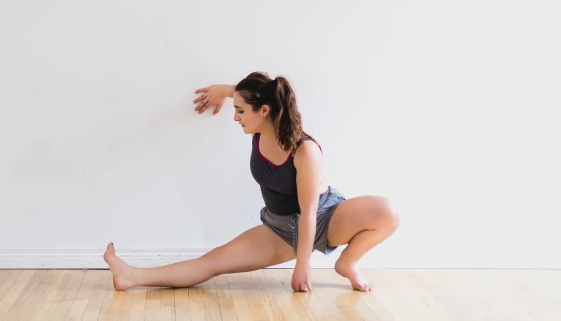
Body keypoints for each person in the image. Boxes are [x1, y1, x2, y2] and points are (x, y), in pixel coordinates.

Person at [103, 72, 400, 293]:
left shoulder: (304, 150)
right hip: (280, 227)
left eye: (240, 111)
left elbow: (309, 213)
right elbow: (239, 91)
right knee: (213, 262)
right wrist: (220, 93)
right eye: (236, 109)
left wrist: (302, 265)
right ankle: (133, 276)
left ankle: (348, 263)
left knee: (388, 212)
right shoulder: (258, 120)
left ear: (265, 110)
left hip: (323, 217)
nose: (236, 118)